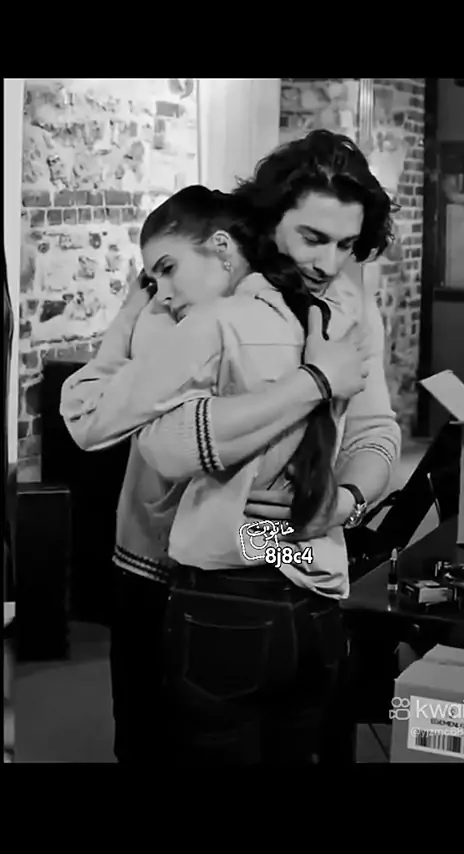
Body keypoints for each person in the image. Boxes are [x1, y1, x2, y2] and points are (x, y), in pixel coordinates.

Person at [61, 131, 401, 764]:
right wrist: (312, 382)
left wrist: (346, 502)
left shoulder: (350, 310)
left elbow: (375, 430)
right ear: (268, 223)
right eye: (312, 238)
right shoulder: (181, 302)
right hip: (154, 559)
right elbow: (140, 436)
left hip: (263, 563)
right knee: (148, 739)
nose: (329, 263)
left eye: (346, 245)